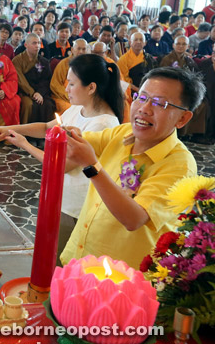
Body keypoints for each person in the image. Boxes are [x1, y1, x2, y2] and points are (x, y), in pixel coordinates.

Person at [61, 67, 204, 268]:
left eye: (159, 103)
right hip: (80, 257)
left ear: (182, 118)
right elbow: (79, 141)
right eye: (141, 97)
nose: (144, 108)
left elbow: (134, 218)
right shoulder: (123, 133)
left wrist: (91, 166)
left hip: (123, 278)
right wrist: (67, 135)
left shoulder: (179, 164)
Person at [0, 54, 123, 259]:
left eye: (71, 84)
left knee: (59, 262)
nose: (66, 89)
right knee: (48, 256)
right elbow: (46, 128)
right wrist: (8, 128)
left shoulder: (102, 124)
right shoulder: (80, 108)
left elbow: (61, 166)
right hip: (61, 198)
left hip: (77, 208)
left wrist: (24, 144)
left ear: (91, 87)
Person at [12, 33, 55, 124]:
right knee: (28, 105)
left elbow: (47, 80)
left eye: (39, 43)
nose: (37, 46)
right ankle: (25, 133)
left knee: (48, 105)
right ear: (26, 45)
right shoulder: (17, 60)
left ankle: (45, 134)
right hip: (24, 92)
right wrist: (32, 93)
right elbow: (20, 80)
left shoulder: (44, 61)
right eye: (34, 43)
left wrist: (40, 93)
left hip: (40, 92)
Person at [50, 38, 88, 113]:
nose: (81, 52)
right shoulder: (63, 64)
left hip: (81, 98)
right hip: (63, 97)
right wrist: (70, 96)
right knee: (72, 110)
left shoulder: (89, 65)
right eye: (79, 49)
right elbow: (55, 85)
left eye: (84, 49)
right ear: (72, 49)